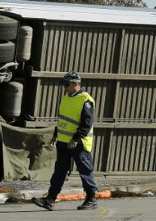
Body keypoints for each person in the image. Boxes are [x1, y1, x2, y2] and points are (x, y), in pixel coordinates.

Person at [32, 71, 99, 211]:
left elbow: (87, 123)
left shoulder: (85, 100)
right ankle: (50, 199)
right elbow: (63, 119)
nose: (65, 88)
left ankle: (91, 199)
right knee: (59, 171)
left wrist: (76, 138)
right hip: (63, 142)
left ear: (75, 84)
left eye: (67, 85)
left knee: (85, 171)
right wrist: (55, 135)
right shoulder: (66, 98)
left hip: (79, 143)